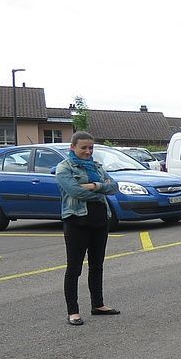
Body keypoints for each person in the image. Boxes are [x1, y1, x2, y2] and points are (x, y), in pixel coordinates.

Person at [54, 131, 120, 325]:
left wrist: (93, 186)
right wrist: (100, 190)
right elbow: (74, 191)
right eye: (83, 147)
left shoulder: (97, 167)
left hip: (100, 220)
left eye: (91, 147)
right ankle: (73, 311)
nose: (88, 151)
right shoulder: (64, 167)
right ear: (73, 147)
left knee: (97, 265)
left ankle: (97, 305)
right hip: (77, 221)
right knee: (74, 268)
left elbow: (114, 186)